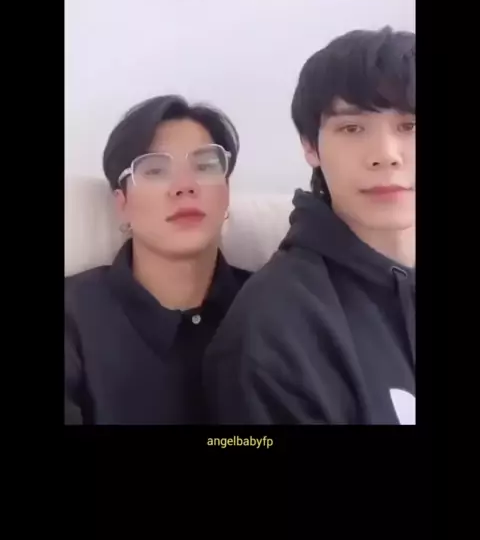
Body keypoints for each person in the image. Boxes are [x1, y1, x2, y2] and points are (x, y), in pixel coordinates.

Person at [203, 27, 416, 425]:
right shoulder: (275, 328)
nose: (386, 155)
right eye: (352, 128)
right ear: (310, 146)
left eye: (410, 126)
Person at [65, 95, 251, 424]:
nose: (185, 186)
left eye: (205, 166)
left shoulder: (276, 306)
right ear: (122, 204)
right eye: (155, 170)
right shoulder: (73, 315)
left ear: (226, 192)